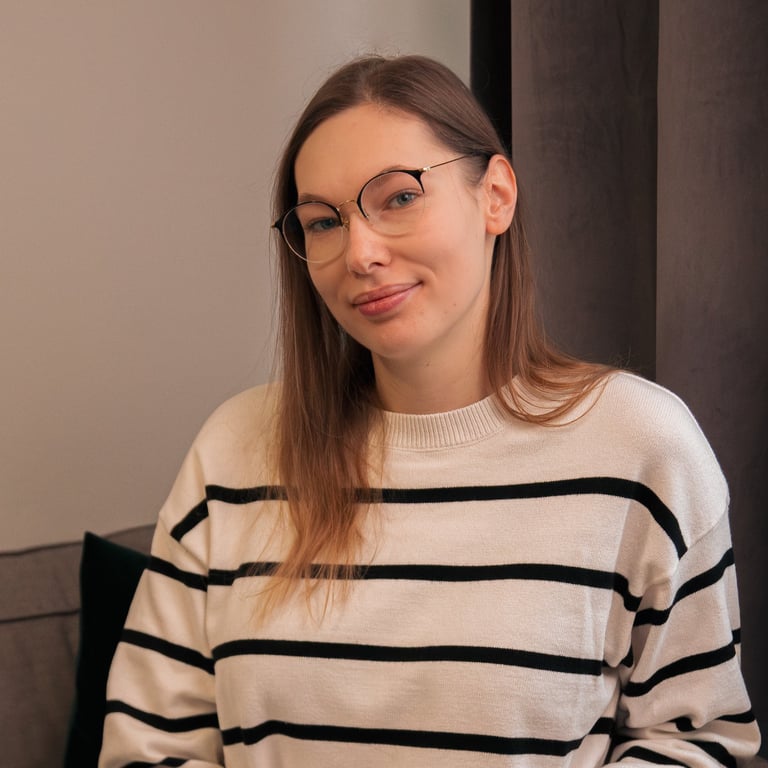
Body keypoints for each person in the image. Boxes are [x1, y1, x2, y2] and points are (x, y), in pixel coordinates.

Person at [99, 54, 761, 767]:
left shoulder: (642, 447)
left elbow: (698, 742)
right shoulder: (233, 450)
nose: (360, 253)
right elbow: (147, 747)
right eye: (322, 222)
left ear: (495, 196)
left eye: (398, 197)